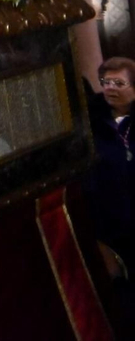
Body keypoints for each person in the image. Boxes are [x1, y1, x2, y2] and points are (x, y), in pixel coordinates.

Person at [88, 56, 135, 322]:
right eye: (106, 82)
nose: (110, 88)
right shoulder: (92, 123)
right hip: (109, 225)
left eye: (119, 82)